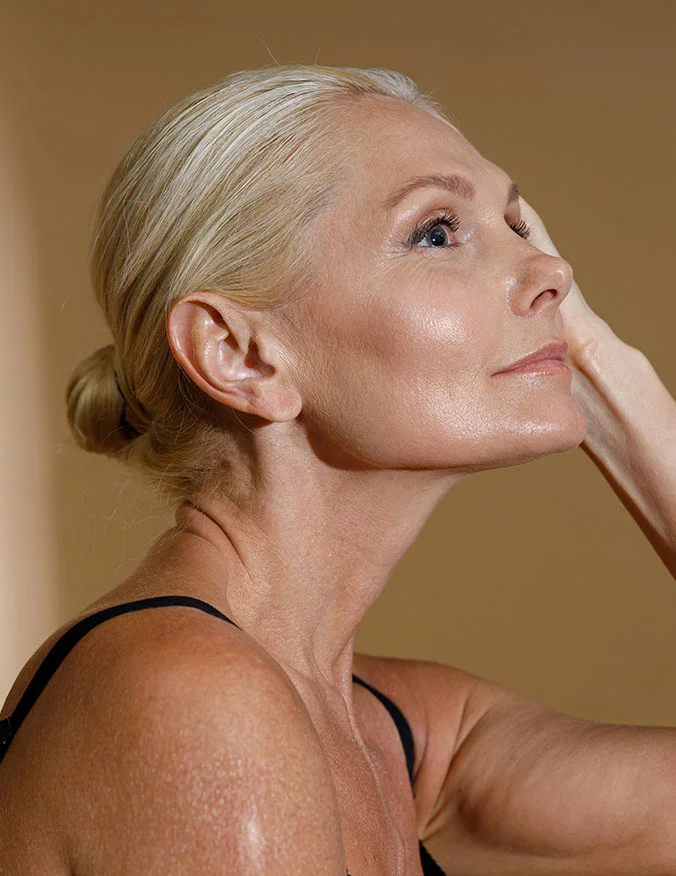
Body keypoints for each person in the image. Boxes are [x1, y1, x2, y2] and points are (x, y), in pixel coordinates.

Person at [1, 64, 675, 876]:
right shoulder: (195, 699)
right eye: (437, 232)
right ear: (240, 354)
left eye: (516, 225)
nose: (555, 274)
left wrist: (596, 366)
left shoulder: (388, 733)